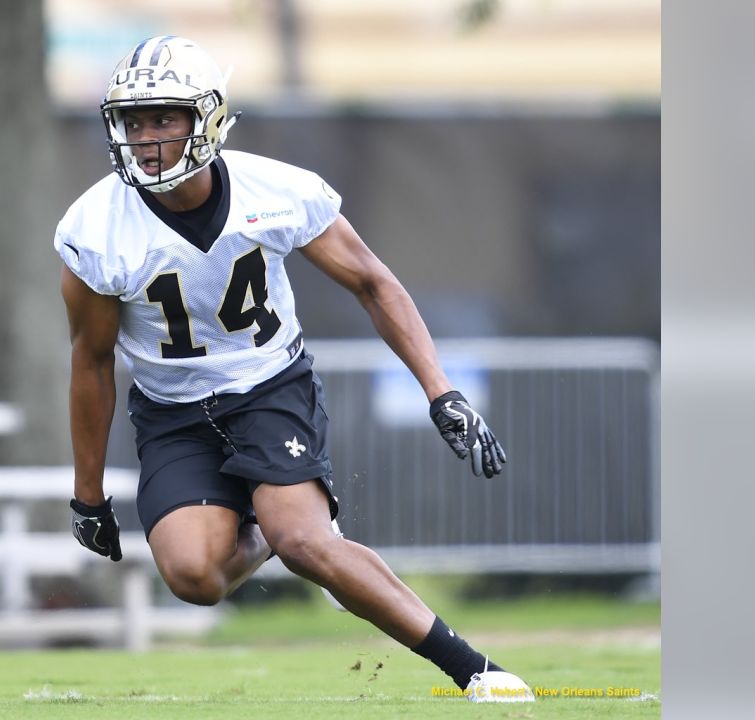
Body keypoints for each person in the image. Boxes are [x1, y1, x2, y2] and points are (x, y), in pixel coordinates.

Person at [55, 36, 529, 702]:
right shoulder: (95, 228)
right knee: (194, 579)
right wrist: (87, 493)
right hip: (172, 412)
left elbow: (372, 282)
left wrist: (439, 390)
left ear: (208, 118)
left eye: (164, 117)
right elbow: (93, 361)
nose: (147, 136)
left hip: (269, 389)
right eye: (133, 121)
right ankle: (272, 530)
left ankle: (475, 670)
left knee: (307, 543)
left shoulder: (274, 190)